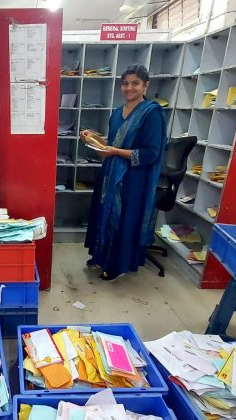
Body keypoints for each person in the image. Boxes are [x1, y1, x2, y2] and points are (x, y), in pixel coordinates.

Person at [82, 64, 167, 281]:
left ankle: (118, 264)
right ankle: (101, 256)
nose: (129, 88)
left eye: (135, 83)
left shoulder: (151, 113)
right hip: (111, 174)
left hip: (133, 179)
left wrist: (115, 151)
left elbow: (151, 153)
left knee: (124, 220)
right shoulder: (117, 113)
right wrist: (93, 138)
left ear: (145, 85)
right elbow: (112, 144)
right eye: (126, 83)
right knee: (104, 215)